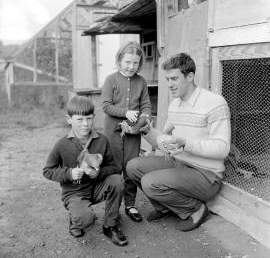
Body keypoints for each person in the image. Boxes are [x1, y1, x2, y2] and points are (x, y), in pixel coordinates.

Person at [127, 53, 231, 231]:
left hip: (206, 175)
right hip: (179, 165)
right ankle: (165, 207)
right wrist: (148, 133)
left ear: (190, 76)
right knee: (133, 167)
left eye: (174, 78)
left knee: (150, 182)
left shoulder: (214, 103)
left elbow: (223, 148)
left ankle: (196, 209)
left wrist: (186, 143)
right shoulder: (175, 105)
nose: (169, 84)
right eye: (167, 79)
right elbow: (166, 141)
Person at [43, 95, 128, 246]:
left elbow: (114, 167)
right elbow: (47, 170)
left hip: (96, 188)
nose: (85, 124)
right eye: (79, 120)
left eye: (89, 119)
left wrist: (99, 173)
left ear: (94, 117)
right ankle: (77, 217)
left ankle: (110, 225)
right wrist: (69, 173)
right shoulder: (61, 144)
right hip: (74, 192)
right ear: (69, 119)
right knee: (86, 219)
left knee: (118, 180)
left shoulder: (102, 140)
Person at [101, 41, 152, 222]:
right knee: (115, 169)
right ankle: (113, 206)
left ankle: (130, 205)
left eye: (135, 63)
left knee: (130, 169)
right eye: (128, 62)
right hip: (113, 134)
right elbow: (105, 106)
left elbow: (146, 106)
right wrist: (126, 113)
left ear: (140, 64)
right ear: (119, 60)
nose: (131, 67)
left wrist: (139, 124)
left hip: (133, 135)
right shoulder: (111, 80)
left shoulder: (141, 82)